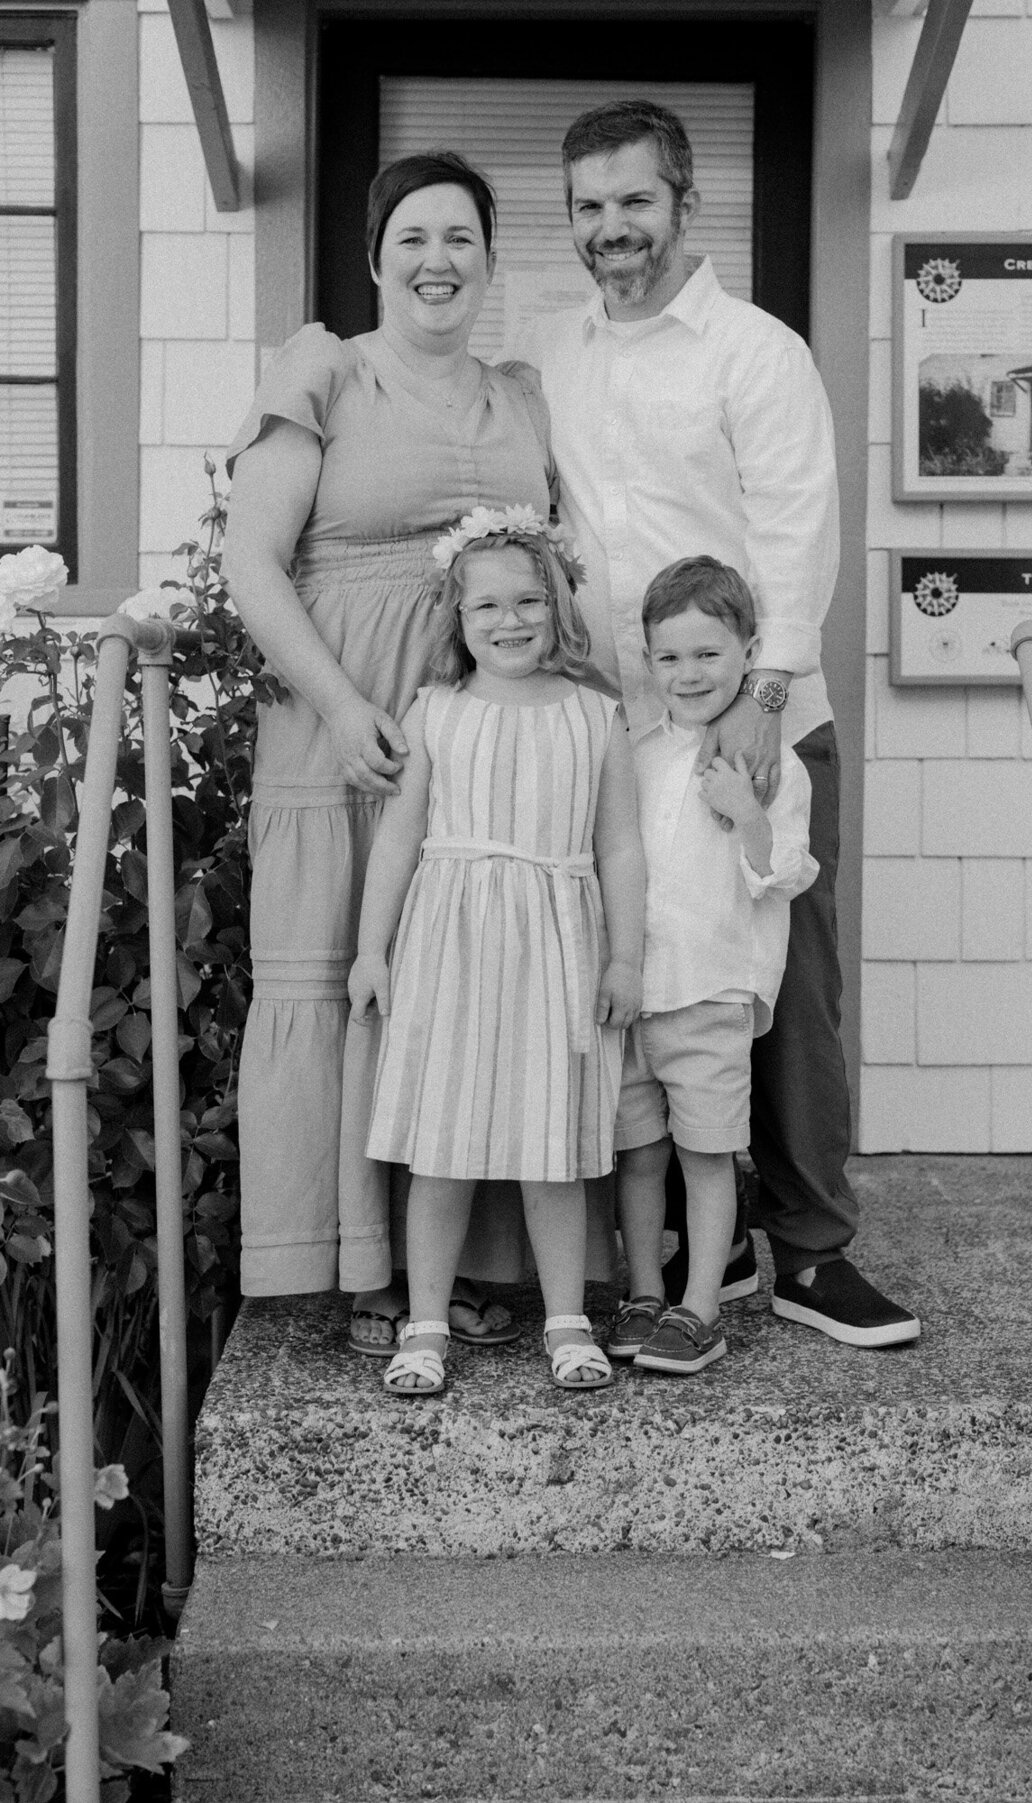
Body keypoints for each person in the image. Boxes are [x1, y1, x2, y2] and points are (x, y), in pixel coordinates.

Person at [524, 99, 919, 1348]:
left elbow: (801, 527)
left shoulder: (757, 351)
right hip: (624, 734)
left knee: (785, 981)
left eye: (634, 201)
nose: (611, 229)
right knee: (646, 981)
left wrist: (761, 700)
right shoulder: (553, 354)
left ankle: (809, 1250)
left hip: (758, 717)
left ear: (686, 204)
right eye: (588, 207)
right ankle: (705, 1238)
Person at [223, 150, 563, 1351]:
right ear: (376, 259)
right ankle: (360, 1268)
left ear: (488, 262)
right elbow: (251, 564)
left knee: (466, 984)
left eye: (461, 238)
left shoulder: (521, 393)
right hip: (345, 730)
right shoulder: (327, 369)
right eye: (413, 237)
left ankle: (462, 1266)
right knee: (342, 979)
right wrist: (338, 704)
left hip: (481, 738)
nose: (438, 260)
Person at [346, 511, 644, 1397]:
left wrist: (624, 957)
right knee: (441, 1145)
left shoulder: (596, 715)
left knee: (549, 1145)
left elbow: (621, 845)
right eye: (487, 606)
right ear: (457, 616)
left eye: (527, 601)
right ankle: (426, 1323)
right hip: (452, 943)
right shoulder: (436, 712)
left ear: (556, 606)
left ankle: (567, 1320)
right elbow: (399, 839)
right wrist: (372, 948)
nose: (509, 621)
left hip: (558, 941)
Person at [610, 558, 817, 1376]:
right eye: (670, 657)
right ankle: (640, 1291)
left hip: (711, 990)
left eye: (708, 654)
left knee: (704, 1155)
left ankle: (701, 1306)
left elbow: (786, 873)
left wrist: (748, 817)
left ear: (748, 652)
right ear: (649, 659)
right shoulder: (636, 751)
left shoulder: (776, 765)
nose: (688, 673)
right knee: (637, 1155)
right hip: (633, 993)